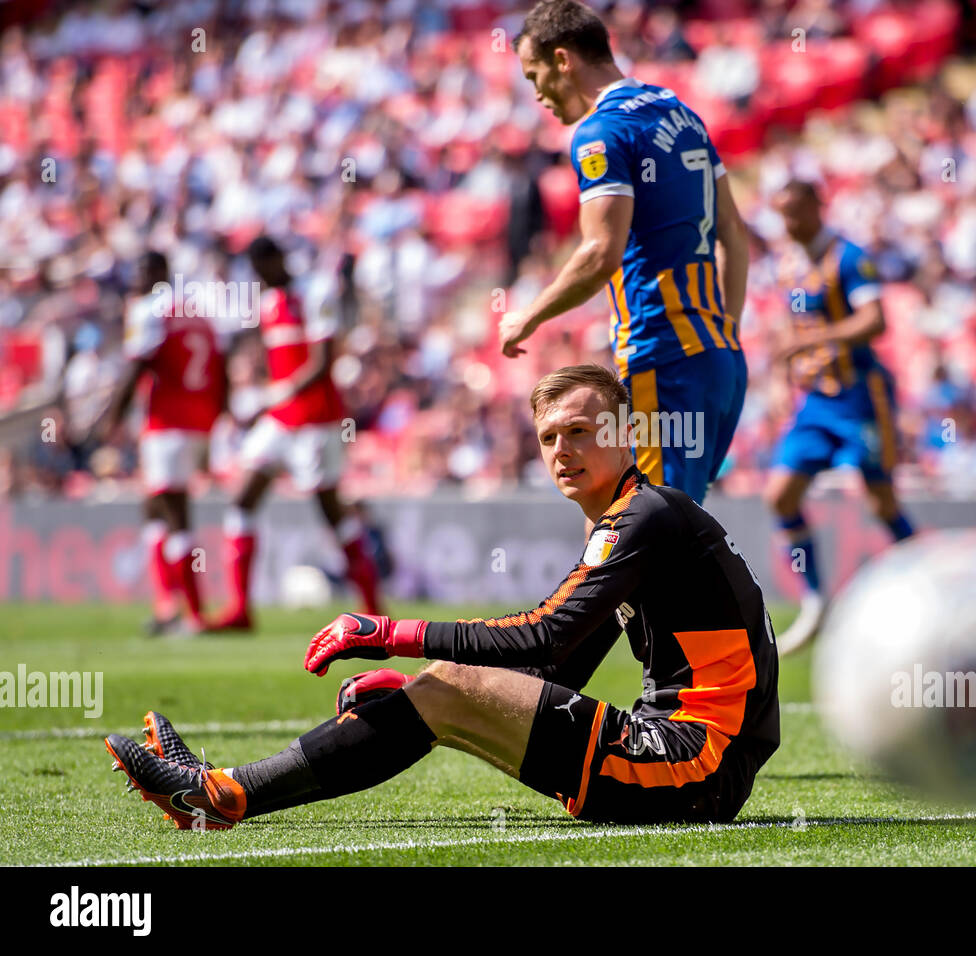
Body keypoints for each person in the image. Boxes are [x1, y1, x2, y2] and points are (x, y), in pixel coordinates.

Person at [105, 365, 780, 827]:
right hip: (693, 761)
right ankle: (222, 789)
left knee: (445, 687)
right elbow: (560, 668)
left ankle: (223, 794)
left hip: (696, 764)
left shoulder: (645, 517)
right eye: (549, 437)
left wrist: (391, 632)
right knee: (439, 690)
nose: (561, 450)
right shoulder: (631, 516)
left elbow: (544, 633)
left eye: (580, 431)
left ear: (624, 435)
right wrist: (413, 684)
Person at [498, 0, 751, 505]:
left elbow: (600, 253)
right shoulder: (682, 116)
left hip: (663, 355)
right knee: (670, 526)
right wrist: (725, 331)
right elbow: (734, 237)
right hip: (718, 360)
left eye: (534, 75)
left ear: (562, 60)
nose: (538, 94)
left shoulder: (601, 132)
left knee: (652, 528)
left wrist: (528, 315)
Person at [764, 181, 917, 656]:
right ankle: (816, 599)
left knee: (880, 501)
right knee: (780, 495)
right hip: (815, 401)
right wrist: (779, 378)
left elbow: (875, 320)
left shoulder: (849, 258)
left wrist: (810, 343)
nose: (788, 224)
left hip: (859, 399)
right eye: (781, 215)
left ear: (816, 206)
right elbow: (790, 331)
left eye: (795, 212)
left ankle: (930, 584)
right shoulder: (789, 264)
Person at [209, 236, 382, 630]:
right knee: (241, 499)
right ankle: (239, 609)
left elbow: (322, 363)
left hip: (317, 421)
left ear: (276, 260)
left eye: (261, 270)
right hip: (281, 420)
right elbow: (280, 363)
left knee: (330, 511)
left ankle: (374, 610)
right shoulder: (270, 304)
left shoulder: (315, 291)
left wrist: (275, 392)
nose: (260, 279)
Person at [89, 251, 227, 635]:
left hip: (168, 421)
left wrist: (110, 418)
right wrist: (218, 416)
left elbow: (138, 364)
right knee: (155, 507)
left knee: (175, 511)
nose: (135, 278)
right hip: (198, 419)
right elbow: (221, 364)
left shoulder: (150, 309)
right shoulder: (196, 311)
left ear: (159, 273)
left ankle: (195, 615)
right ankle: (167, 603)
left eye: (142, 270)